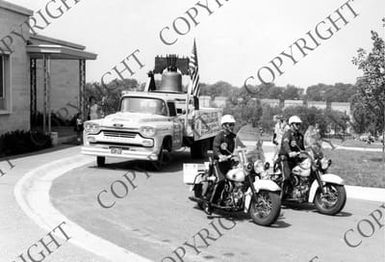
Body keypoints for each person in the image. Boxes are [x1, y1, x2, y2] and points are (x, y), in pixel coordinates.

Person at [202, 114, 237, 215]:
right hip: (218, 163)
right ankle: (209, 204)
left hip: (229, 162)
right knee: (221, 181)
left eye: (233, 124)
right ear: (224, 125)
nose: (232, 126)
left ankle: (230, 199)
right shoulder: (219, 136)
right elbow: (216, 149)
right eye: (230, 124)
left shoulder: (233, 137)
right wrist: (220, 156)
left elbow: (240, 145)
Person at [278, 115, 305, 180]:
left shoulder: (300, 135)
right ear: (291, 124)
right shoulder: (288, 134)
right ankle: (284, 189)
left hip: (295, 159)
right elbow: (285, 144)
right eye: (297, 124)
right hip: (286, 159)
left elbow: (302, 147)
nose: (299, 126)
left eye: (299, 124)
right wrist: (289, 152)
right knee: (287, 178)